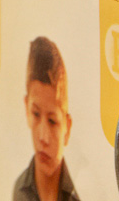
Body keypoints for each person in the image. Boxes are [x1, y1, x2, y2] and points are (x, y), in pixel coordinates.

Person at [14, 37, 82, 201]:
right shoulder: (19, 191)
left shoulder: (80, 195)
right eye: (36, 114)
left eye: (52, 121)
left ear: (67, 128)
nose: (43, 137)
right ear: (26, 109)